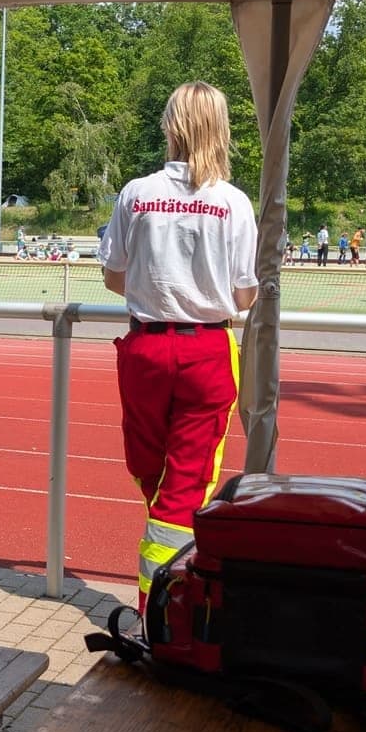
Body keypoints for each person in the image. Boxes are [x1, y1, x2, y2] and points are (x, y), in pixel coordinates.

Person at [97, 83, 257, 614]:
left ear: (171, 126)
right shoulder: (233, 203)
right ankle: (175, 590)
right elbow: (244, 294)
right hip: (206, 350)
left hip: (146, 348)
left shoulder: (136, 193)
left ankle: (160, 603)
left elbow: (114, 278)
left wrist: (158, 284)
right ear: (221, 129)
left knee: (156, 473)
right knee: (179, 482)